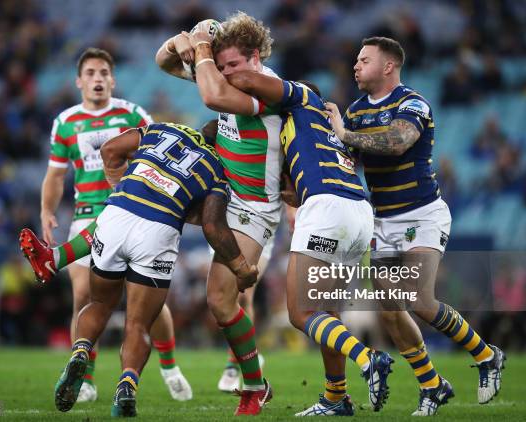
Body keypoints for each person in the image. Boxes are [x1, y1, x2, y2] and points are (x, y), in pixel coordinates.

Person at [200, 49, 397, 413]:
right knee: (328, 312)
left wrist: (209, 62)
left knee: (301, 312)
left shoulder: (301, 100)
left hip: (326, 208)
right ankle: (336, 396)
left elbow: (248, 85)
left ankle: (369, 359)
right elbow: (290, 185)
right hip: (358, 211)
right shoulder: (314, 128)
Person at [325, 36, 506, 416]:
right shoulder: (356, 111)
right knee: (390, 310)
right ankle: (432, 384)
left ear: (388, 66)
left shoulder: (412, 103)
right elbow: (347, 162)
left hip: (422, 214)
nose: (355, 66)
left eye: (364, 59)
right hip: (384, 220)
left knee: (418, 300)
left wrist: (345, 134)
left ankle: (487, 355)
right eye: (356, 60)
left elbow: (397, 143)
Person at [52, 122, 259, 417]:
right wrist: (241, 268)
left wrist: (120, 187)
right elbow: (213, 226)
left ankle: (81, 350)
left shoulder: (162, 129)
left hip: (117, 214)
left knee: (98, 303)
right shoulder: (217, 168)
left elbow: (110, 149)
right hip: (159, 229)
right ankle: (127, 384)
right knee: (138, 324)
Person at [35, 47, 191, 402]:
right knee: (83, 293)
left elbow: (160, 153)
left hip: (132, 210)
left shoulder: (131, 114)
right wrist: (46, 210)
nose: (98, 79)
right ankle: (85, 377)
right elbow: (55, 175)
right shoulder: (66, 122)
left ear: (113, 79)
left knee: (146, 302)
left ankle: (169, 365)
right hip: (88, 213)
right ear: (79, 81)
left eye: (104, 72)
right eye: (90, 73)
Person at [155, 13, 280, 414]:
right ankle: (252, 382)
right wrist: (184, 40)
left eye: (234, 66)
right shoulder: (227, 72)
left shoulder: (268, 86)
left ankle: (249, 382)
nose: (227, 73)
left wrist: (203, 47)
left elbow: (212, 98)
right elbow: (163, 61)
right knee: (222, 299)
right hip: (229, 197)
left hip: (257, 208)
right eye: (222, 67)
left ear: (255, 57)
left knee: (223, 298)